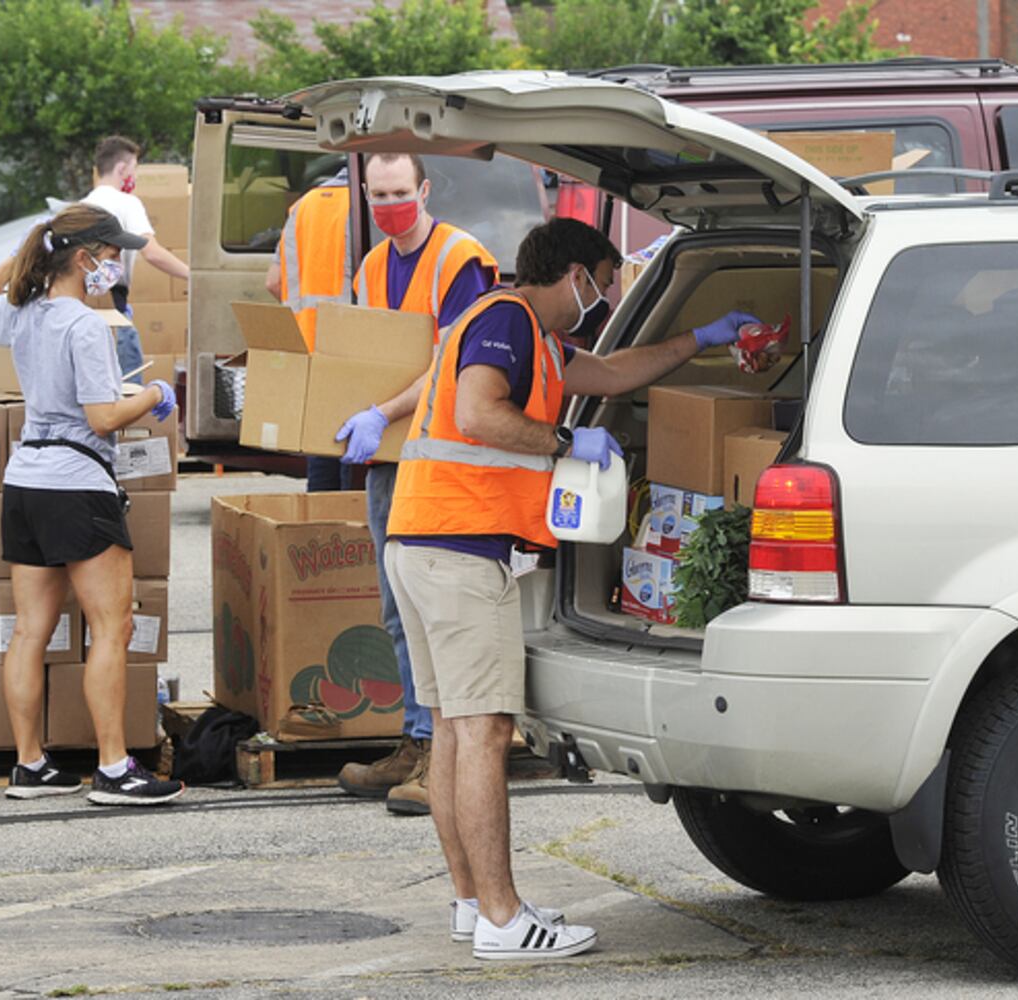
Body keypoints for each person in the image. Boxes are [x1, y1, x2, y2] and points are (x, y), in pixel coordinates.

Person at [382, 217, 757, 958]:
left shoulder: (538, 343)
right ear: (572, 274)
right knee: (486, 731)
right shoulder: (507, 320)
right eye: (604, 281)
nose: (606, 295)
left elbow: (614, 373)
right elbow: (477, 413)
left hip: (426, 542)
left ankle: (472, 905)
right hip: (459, 550)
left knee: (460, 731)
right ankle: (502, 917)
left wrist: (703, 337)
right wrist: (563, 442)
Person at [0, 203, 184, 806]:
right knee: (112, 626)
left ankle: (30, 765)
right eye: (110, 256)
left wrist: (25, 254)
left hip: (26, 480)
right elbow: (103, 416)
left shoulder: (22, 313)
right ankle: (114, 769)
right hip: (77, 481)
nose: (114, 267)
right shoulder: (85, 325)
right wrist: (156, 392)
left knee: (31, 630)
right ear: (83, 259)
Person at [331, 152, 497, 814]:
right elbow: (365, 354)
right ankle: (415, 736)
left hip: (443, 456)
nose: (390, 204)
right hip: (391, 456)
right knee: (397, 607)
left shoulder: (460, 259)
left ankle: (443, 755)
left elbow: (458, 361)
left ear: (424, 189)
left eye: (400, 192)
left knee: (440, 609)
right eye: (378, 195)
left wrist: (382, 412)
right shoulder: (373, 266)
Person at [264, 162, 356, 493]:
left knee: (322, 448)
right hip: (353, 349)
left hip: (307, 347)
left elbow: (273, 282)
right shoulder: (365, 205)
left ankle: (319, 536)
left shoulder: (303, 206)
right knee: (353, 451)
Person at [82, 135, 190, 380]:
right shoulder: (127, 204)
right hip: (114, 314)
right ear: (122, 169)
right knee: (128, 392)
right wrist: (192, 276)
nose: (136, 177)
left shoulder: (80, 206)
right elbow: (152, 252)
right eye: (134, 169)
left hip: (80, 314)